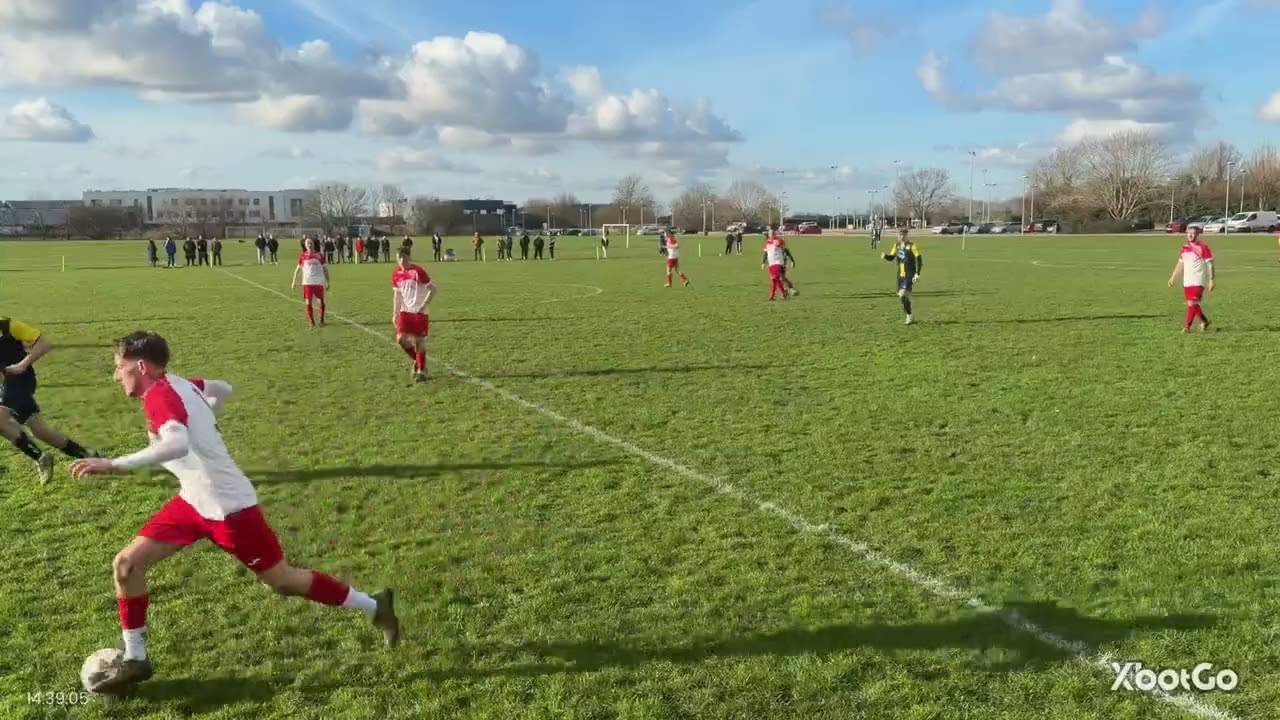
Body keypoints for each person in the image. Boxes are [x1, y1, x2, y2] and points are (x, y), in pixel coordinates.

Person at [69, 332, 400, 695]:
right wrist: (209, 413)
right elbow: (220, 387)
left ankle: (373, 605)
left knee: (282, 581)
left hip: (230, 510)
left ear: (142, 366)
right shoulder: (177, 383)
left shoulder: (160, 395)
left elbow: (177, 442)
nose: (117, 375)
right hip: (194, 500)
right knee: (127, 565)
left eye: (120, 367)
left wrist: (113, 464)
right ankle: (136, 659)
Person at [1, 316, 102, 483]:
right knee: (39, 430)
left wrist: (21, 365)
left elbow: (44, 344)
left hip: (21, 380)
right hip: (5, 385)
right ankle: (88, 455)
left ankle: (40, 457)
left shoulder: (8, 326)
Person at [391, 249, 436, 383]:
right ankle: (416, 360)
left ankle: (421, 371)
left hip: (419, 312)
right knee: (400, 339)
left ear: (409, 258)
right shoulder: (396, 275)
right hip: (405, 311)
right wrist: (395, 313)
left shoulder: (418, 271)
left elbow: (433, 289)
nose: (402, 262)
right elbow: (397, 295)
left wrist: (423, 305)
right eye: (399, 259)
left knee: (418, 341)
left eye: (404, 258)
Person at [1168, 226, 1215, 333]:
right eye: (1188, 233)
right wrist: (1173, 277)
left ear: (1198, 234)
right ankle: (1205, 321)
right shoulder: (1184, 247)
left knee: (1191, 303)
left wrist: (1211, 280)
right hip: (1187, 280)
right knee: (1192, 304)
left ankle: (1187, 327)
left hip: (1198, 280)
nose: (1190, 235)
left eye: (1193, 233)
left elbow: (1210, 264)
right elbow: (1180, 264)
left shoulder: (1203, 247)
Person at [882, 228, 922, 325]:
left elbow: (919, 260)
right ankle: (909, 314)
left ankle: (908, 315)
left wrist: (917, 273)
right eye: (899, 234)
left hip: (909, 273)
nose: (901, 236)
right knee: (902, 296)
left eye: (903, 234)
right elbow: (891, 257)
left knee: (903, 293)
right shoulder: (896, 245)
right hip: (900, 274)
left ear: (907, 235)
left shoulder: (912, 246)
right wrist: (885, 256)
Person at [291, 238, 329, 328]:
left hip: (318, 282)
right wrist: (294, 281)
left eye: (311, 243)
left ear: (313, 244)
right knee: (308, 302)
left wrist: (328, 281)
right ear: (305, 245)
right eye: (307, 243)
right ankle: (311, 321)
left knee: (321, 301)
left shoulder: (319, 255)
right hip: (307, 282)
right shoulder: (302, 256)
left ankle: (321, 317)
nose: (309, 245)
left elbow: (325, 270)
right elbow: (297, 270)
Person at [762, 231, 789, 301]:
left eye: (772, 234)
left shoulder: (777, 241)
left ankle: (783, 293)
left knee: (775, 278)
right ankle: (772, 296)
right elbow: (765, 253)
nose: (771, 235)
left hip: (778, 262)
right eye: (770, 234)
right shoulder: (766, 243)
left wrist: (780, 240)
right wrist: (763, 263)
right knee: (774, 280)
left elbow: (783, 244)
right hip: (771, 263)